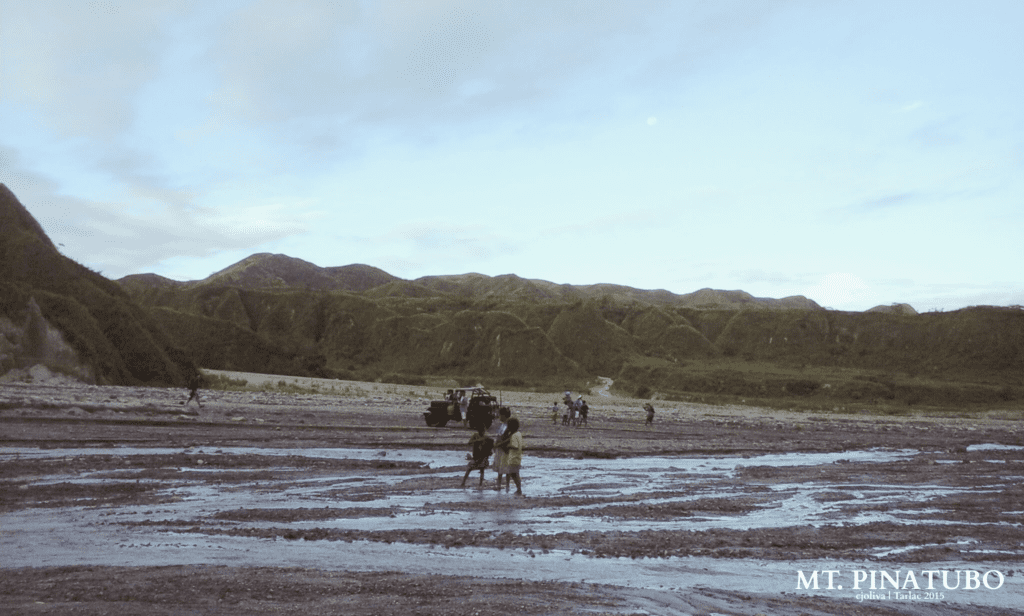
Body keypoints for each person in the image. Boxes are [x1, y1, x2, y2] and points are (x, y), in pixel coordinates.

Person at [494, 417, 524, 496]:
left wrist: (508, 446)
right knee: (515, 474)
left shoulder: (513, 436)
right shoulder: (518, 434)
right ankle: (518, 489)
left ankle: (519, 490)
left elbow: (515, 446)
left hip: (513, 458)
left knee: (514, 475)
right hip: (517, 457)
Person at [491, 407, 512, 490]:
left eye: (500, 415)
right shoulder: (503, 425)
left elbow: (508, 438)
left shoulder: (508, 425)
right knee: (501, 467)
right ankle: (500, 485)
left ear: (503, 415)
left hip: (504, 448)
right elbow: (499, 436)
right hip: (500, 448)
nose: (499, 417)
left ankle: (506, 485)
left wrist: (498, 444)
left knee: (505, 468)